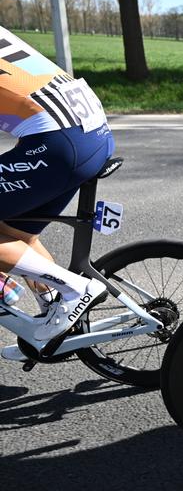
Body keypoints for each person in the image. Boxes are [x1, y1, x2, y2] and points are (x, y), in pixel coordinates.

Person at [0, 25, 113, 349]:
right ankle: (55, 307)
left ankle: (75, 289)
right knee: (15, 234)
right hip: (88, 132)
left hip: (62, 142)